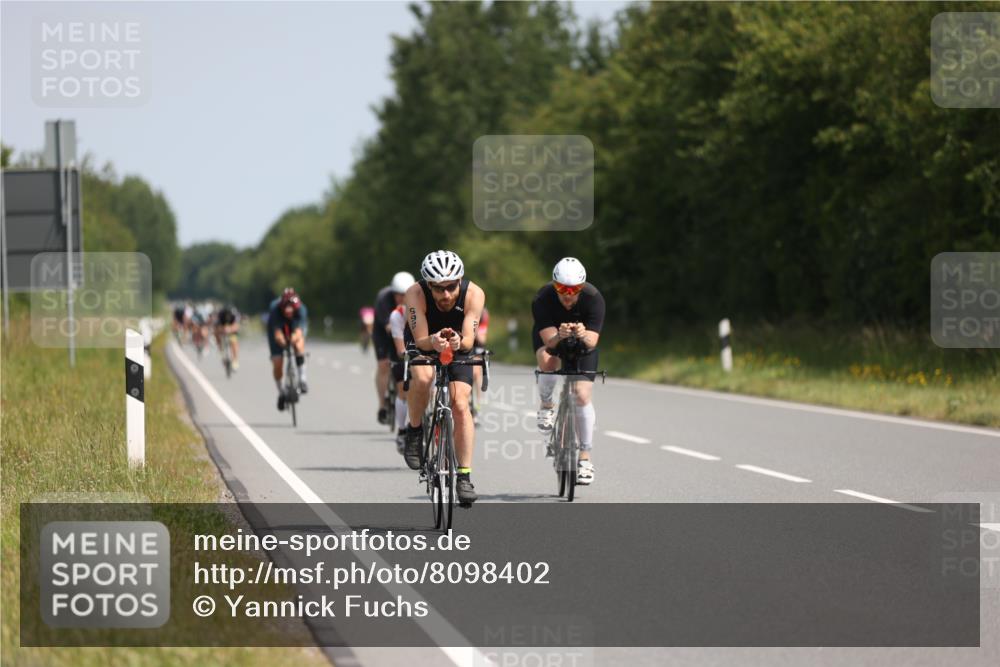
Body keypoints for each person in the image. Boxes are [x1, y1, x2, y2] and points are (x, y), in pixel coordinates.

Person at [402, 250, 486, 507]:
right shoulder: (414, 294)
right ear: (429, 286)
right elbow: (420, 340)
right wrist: (433, 342)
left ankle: (464, 476)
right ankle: (414, 431)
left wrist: (459, 341)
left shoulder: (474, 293)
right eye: (439, 289)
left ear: (459, 281)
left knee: (460, 403)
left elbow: (470, 338)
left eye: (451, 287)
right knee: (424, 378)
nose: (446, 294)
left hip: (459, 344)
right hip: (425, 340)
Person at [532, 257, 605, 485]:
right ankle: (546, 405)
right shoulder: (542, 298)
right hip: (552, 339)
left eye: (574, 290)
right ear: (554, 286)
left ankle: (584, 458)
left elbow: (592, 341)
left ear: (581, 288)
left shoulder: (594, 299)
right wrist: (560, 335)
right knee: (547, 361)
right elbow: (549, 343)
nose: (567, 294)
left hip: (583, 345)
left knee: (582, 396)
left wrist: (582, 334)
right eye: (562, 288)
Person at [373, 271, 416, 424]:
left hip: (403, 332)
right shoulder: (384, 299)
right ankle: (382, 404)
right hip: (384, 332)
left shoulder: (416, 298)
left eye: (405, 294)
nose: (401, 298)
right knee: (384, 365)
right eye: (398, 294)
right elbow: (390, 327)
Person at [268, 288, 309, 410]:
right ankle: (281, 392)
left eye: (292, 311)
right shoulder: (275, 310)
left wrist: (293, 339)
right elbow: (277, 334)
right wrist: (282, 341)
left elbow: (299, 331)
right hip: (278, 329)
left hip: (294, 328)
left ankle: (302, 379)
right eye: (286, 311)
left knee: (299, 344)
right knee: (277, 363)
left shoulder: (301, 309)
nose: (289, 313)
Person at [388, 303, 410, 453]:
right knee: (403, 389)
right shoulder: (397, 315)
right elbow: (400, 349)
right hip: (402, 353)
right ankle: (402, 430)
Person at [471, 306, 490, 423]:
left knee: (476, 372)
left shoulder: (483, 314)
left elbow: (482, 339)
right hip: (461, 341)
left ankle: (477, 404)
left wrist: (474, 329)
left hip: (476, 343)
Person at [214, 302, 241, 370]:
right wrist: (222, 330)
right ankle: (220, 349)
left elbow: (237, 325)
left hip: (232, 330)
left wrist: (230, 329)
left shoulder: (234, 315)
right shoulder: (221, 314)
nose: (228, 316)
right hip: (222, 328)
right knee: (217, 334)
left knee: (234, 342)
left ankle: (235, 360)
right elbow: (217, 326)